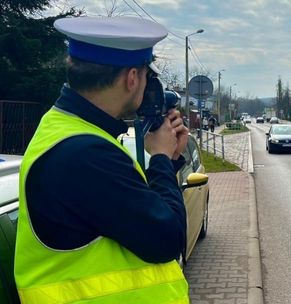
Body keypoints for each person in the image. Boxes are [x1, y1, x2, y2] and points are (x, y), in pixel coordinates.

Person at [14, 17, 190, 303]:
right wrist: (159, 156)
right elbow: (167, 239)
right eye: (147, 76)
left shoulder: (70, 131)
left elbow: (135, 216)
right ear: (132, 78)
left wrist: (167, 160)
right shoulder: (84, 153)